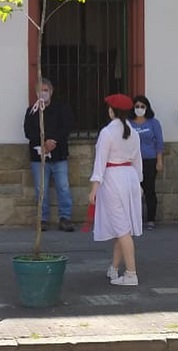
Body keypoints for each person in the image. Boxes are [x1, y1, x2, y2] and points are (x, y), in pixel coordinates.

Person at [88, 94, 143, 286]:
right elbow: (138, 162)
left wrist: (94, 187)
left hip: (113, 179)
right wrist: (139, 184)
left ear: (112, 110)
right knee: (124, 227)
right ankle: (114, 268)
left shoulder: (107, 132)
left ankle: (131, 273)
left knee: (122, 229)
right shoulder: (134, 133)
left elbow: (100, 162)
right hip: (130, 178)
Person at [23, 78, 75, 232]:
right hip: (38, 158)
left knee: (63, 187)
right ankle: (42, 219)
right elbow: (28, 132)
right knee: (41, 189)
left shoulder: (62, 109)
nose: (43, 93)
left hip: (59, 156)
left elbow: (67, 126)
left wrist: (53, 141)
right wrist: (43, 142)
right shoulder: (32, 111)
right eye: (41, 90)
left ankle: (65, 217)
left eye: (46, 90)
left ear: (51, 91)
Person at [129, 95, 164, 231]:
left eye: (142, 106)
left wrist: (159, 161)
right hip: (132, 162)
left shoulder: (153, 123)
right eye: (137, 106)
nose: (139, 109)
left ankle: (150, 219)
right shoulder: (129, 123)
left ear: (147, 108)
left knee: (149, 189)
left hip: (149, 160)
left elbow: (159, 143)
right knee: (134, 191)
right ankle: (135, 218)